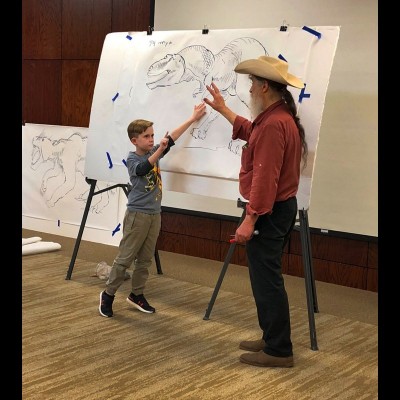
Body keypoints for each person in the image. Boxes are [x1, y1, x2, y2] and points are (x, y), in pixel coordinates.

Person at [203, 56, 308, 368]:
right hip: (276, 210)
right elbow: (252, 132)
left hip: (269, 212)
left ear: (264, 87)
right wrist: (222, 108)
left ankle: (279, 350)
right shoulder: (277, 118)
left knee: (267, 281)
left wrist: (250, 219)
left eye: (251, 85)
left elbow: (265, 177)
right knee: (265, 278)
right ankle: (271, 336)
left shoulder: (275, 124)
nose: (248, 90)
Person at [99, 103, 207, 318]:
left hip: (154, 215)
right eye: (146, 136)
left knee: (145, 260)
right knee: (125, 258)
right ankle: (108, 294)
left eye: (153, 136)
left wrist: (192, 118)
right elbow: (142, 169)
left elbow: (172, 139)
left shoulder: (153, 152)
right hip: (137, 216)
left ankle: (136, 294)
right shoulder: (133, 158)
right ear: (134, 140)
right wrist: (160, 148)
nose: (151, 139)